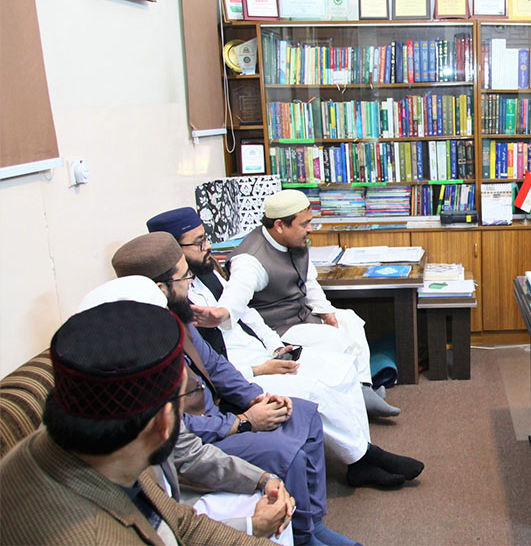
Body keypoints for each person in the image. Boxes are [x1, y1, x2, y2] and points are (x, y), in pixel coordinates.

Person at [110, 232, 362, 546]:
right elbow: (175, 431)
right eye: (184, 276)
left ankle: (313, 523)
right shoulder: (132, 352)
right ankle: (304, 536)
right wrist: (242, 422)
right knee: (288, 452)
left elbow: (214, 364)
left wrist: (256, 396)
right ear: (160, 288)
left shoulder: (176, 315)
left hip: (223, 412)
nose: (190, 282)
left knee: (306, 413)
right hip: (204, 438)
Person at [147, 206, 424, 489]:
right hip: (244, 371)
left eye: (206, 238)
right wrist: (259, 368)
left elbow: (247, 314)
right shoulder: (172, 309)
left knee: (340, 366)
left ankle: (361, 454)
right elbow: (206, 369)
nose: (208, 247)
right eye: (198, 242)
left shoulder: (205, 273)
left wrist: (276, 347)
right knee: (318, 388)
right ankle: (362, 459)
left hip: (262, 351)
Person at [0, 300, 272, 545]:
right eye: (183, 398)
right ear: (163, 424)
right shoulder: (96, 535)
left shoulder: (107, 448)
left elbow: (179, 524)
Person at [78, 275, 295, 544]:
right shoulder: (86, 515)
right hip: (174, 521)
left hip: (177, 510)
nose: (184, 371)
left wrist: (263, 479)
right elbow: (166, 531)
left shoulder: (136, 411)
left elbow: (190, 453)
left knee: (270, 500)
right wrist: (251, 528)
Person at [209, 190, 399, 419]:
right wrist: (221, 312)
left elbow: (308, 281)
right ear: (279, 225)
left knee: (349, 320)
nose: (310, 229)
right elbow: (235, 297)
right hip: (277, 328)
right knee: (336, 340)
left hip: (302, 315)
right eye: (305, 224)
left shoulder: (294, 240)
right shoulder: (250, 260)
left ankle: (363, 390)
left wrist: (326, 311)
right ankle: (357, 399)